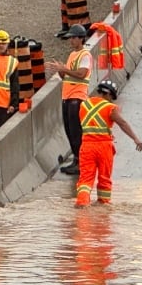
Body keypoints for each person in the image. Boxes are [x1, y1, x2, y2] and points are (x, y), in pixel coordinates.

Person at [74, 80, 142, 207]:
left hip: (86, 146)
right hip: (104, 147)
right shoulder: (110, 108)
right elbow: (122, 123)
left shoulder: (83, 105)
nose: (112, 100)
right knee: (104, 178)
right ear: (109, 94)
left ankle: (82, 203)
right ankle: (103, 205)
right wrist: (135, 139)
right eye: (112, 97)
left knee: (85, 179)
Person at [45, 24, 92, 175]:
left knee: (76, 131)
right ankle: (76, 159)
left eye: (73, 37)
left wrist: (64, 69)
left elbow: (81, 74)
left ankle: (81, 162)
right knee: (69, 130)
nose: (71, 40)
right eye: (70, 37)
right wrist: (60, 71)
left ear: (81, 38)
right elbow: (67, 75)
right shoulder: (72, 55)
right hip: (67, 96)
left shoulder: (85, 55)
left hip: (77, 97)